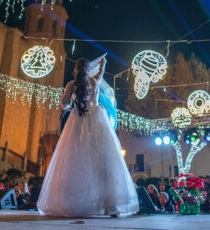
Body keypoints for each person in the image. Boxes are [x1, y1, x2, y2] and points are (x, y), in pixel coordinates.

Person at [37, 55, 139, 217]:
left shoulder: (71, 84)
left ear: (76, 70)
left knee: (76, 158)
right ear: (88, 70)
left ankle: (75, 203)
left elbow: (63, 103)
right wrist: (102, 61)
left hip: (77, 119)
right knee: (101, 159)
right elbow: (102, 70)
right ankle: (108, 205)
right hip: (97, 119)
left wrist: (69, 104)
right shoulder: (95, 81)